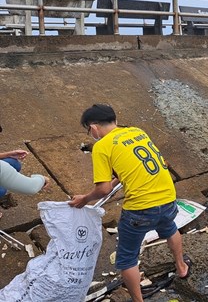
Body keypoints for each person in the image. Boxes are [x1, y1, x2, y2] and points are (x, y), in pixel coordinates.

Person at [68, 104, 190, 302]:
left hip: (140, 209)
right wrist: (118, 180)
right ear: (114, 120)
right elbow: (131, 168)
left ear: (93, 127)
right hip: (168, 198)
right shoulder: (137, 131)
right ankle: (181, 267)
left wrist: (84, 199)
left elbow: (103, 189)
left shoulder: (101, 146)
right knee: (169, 228)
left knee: (127, 258)